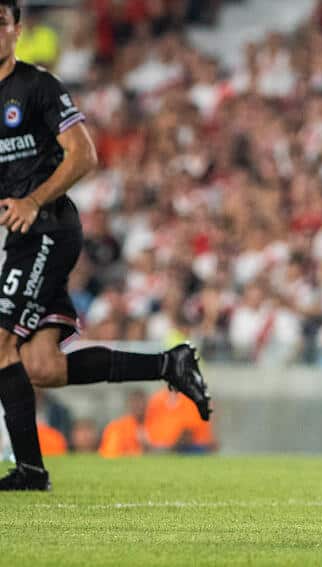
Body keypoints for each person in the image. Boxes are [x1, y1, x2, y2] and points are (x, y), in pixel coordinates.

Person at [0, 1, 210, 491]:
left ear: (17, 30)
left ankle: (30, 471)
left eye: (0, 23)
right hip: (20, 236)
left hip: (49, 228)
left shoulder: (38, 86)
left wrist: (32, 199)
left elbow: (84, 154)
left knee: (1, 344)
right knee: (42, 367)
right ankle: (168, 363)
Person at [99, 389, 147, 458]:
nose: (139, 406)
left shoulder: (153, 425)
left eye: (141, 402)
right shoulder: (117, 427)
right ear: (128, 404)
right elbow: (111, 454)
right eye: (135, 402)